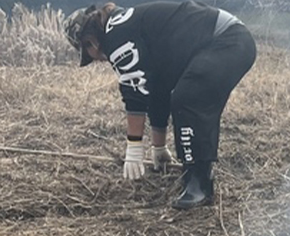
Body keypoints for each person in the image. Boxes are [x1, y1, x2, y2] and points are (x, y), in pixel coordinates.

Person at [64, 2, 256, 209]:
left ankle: (199, 185)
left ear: (90, 42)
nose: (97, 61)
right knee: (183, 95)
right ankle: (192, 174)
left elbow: (133, 92)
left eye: (88, 55)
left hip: (227, 41)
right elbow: (157, 92)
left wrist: (134, 148)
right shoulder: (126, 28)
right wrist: (159, 147)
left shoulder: (117, 36)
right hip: (231, 40)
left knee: (188, 98)